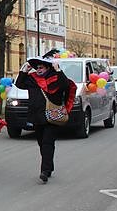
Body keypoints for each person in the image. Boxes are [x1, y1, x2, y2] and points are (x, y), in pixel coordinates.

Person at [16, 51, 76, 183]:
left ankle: (45, 170)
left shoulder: (56, 78)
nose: (38, 70)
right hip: (37, 116)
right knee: (41, 143)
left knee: (48, 143)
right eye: (37, 67)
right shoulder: (32, 79)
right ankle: (48, 166)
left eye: (41, 67)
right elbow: (19, 84)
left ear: (48, 68)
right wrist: (24, 71)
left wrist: (58, 70)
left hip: (51, 116)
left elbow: (66, 85)